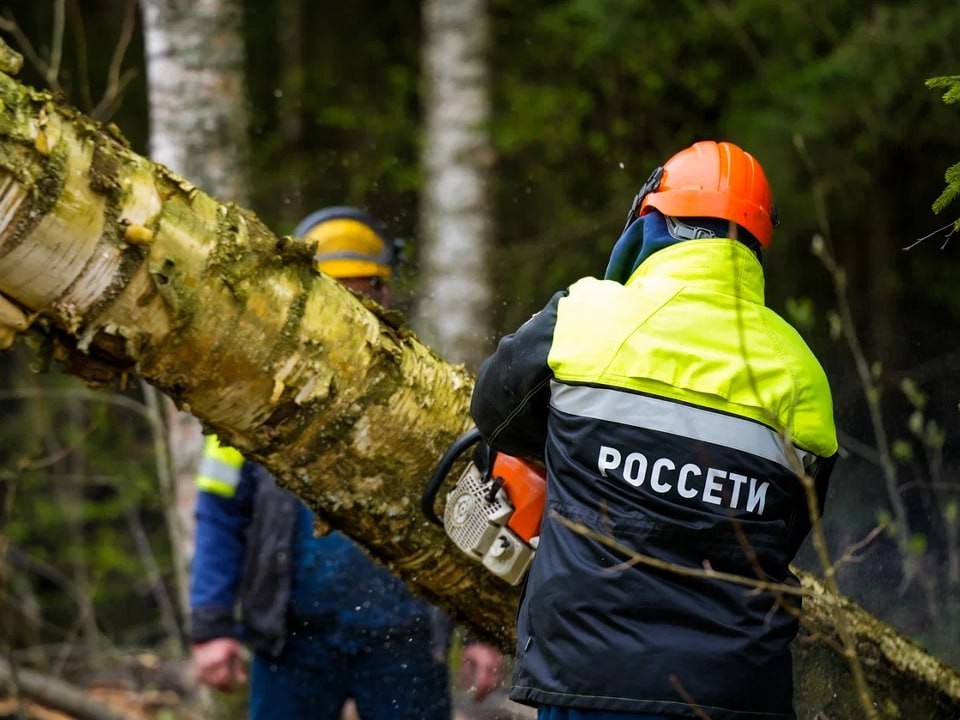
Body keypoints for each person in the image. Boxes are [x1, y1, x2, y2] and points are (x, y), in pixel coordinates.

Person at [469, 141, 839, 720]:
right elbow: (791, 525)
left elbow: (494, 409)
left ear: (650, 218)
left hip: (588, 677)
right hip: (734, 691)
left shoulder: (585, 316)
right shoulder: (801, 373)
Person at [188, 206, 502, 719]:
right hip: (291, 642)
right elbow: (219, 512)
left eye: (363, 289)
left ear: (384, 292)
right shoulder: (252, 393)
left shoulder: (422, 393)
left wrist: (482, 632)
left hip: (405, 641)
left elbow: (474, 511)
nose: (351, 306)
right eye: (336, 291)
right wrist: (212, 625)